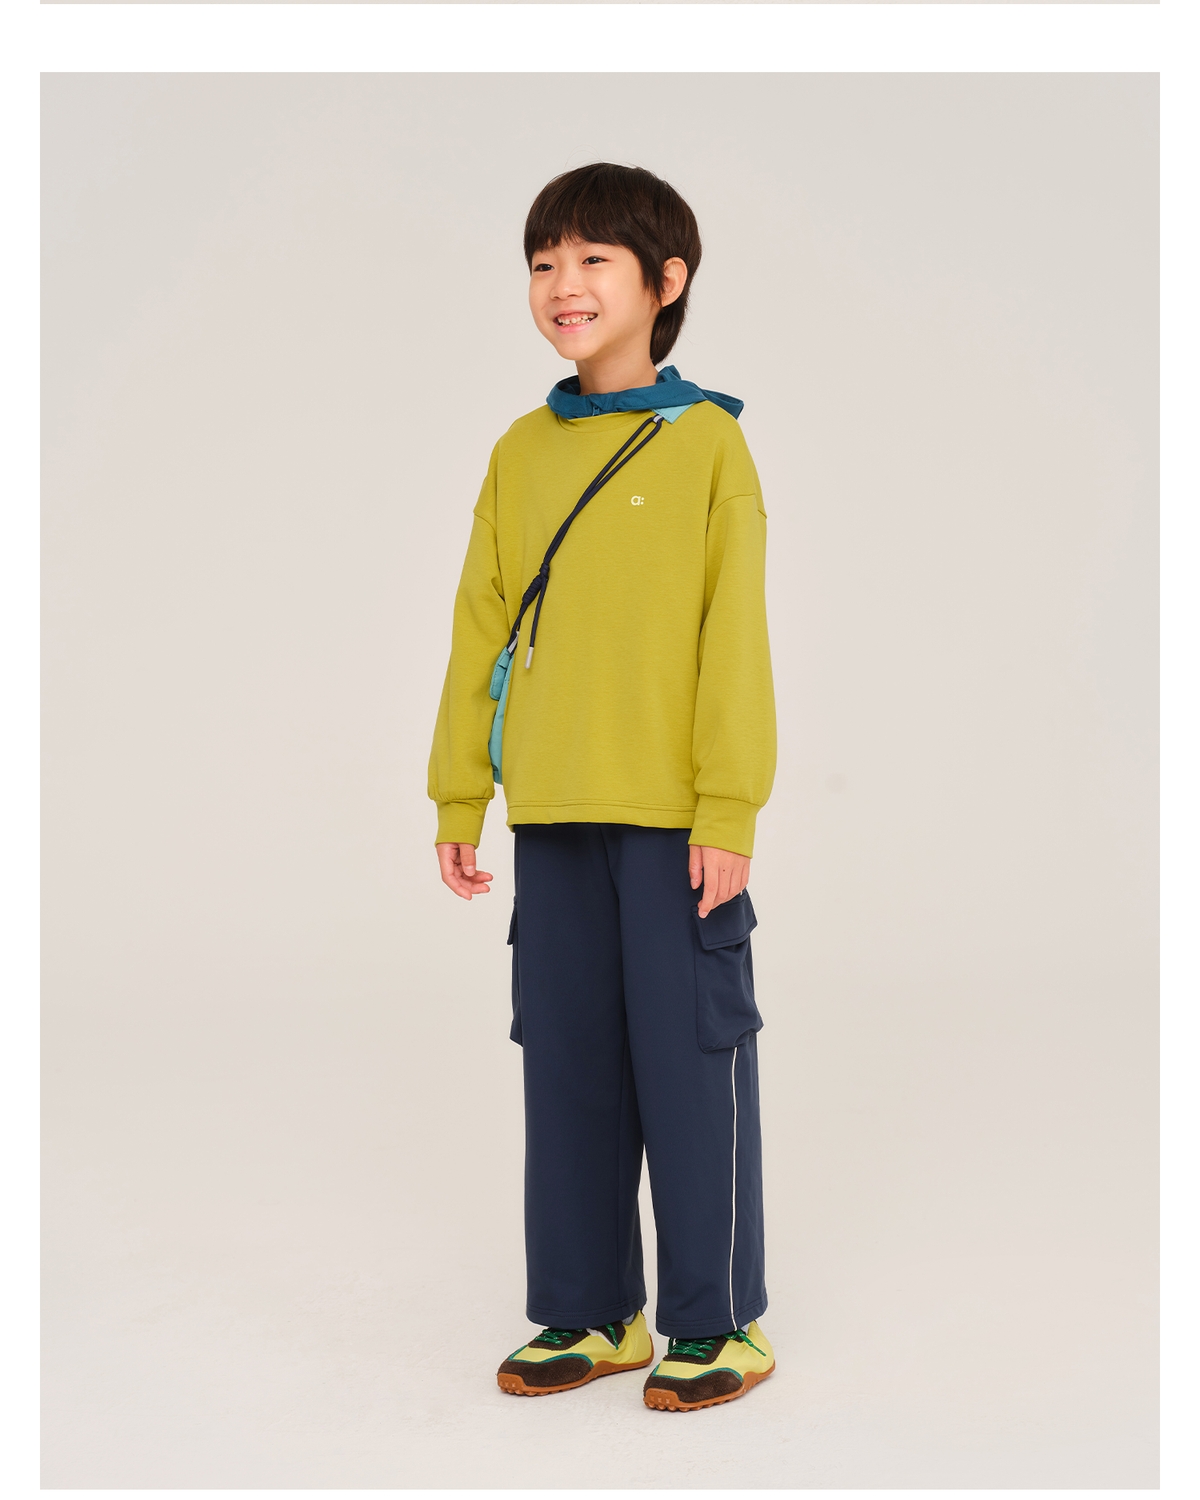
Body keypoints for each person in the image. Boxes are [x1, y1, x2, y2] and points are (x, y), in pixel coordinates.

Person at [428, 162, 777, 1412]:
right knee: (566, 1062)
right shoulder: (520, 451)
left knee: (690, 1061)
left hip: (673, 821)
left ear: (665, 282)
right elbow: (480, 625)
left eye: (592, 260)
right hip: (554, 811)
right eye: (543, 263)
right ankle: (591, 1310)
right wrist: (458, 794)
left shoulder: (709, 444)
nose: (562, 286)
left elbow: (734, 639)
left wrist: (727, 809)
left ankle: (717, 1323)